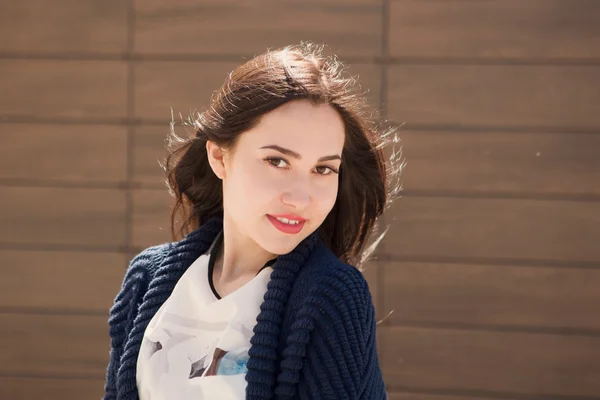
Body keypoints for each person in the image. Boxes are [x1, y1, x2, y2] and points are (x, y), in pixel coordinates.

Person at [103, 42, 402, 400]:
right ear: (219, 157)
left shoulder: (331, 295)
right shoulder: (147, 279)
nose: (300, 197)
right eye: (277, 161)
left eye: (323, 169)